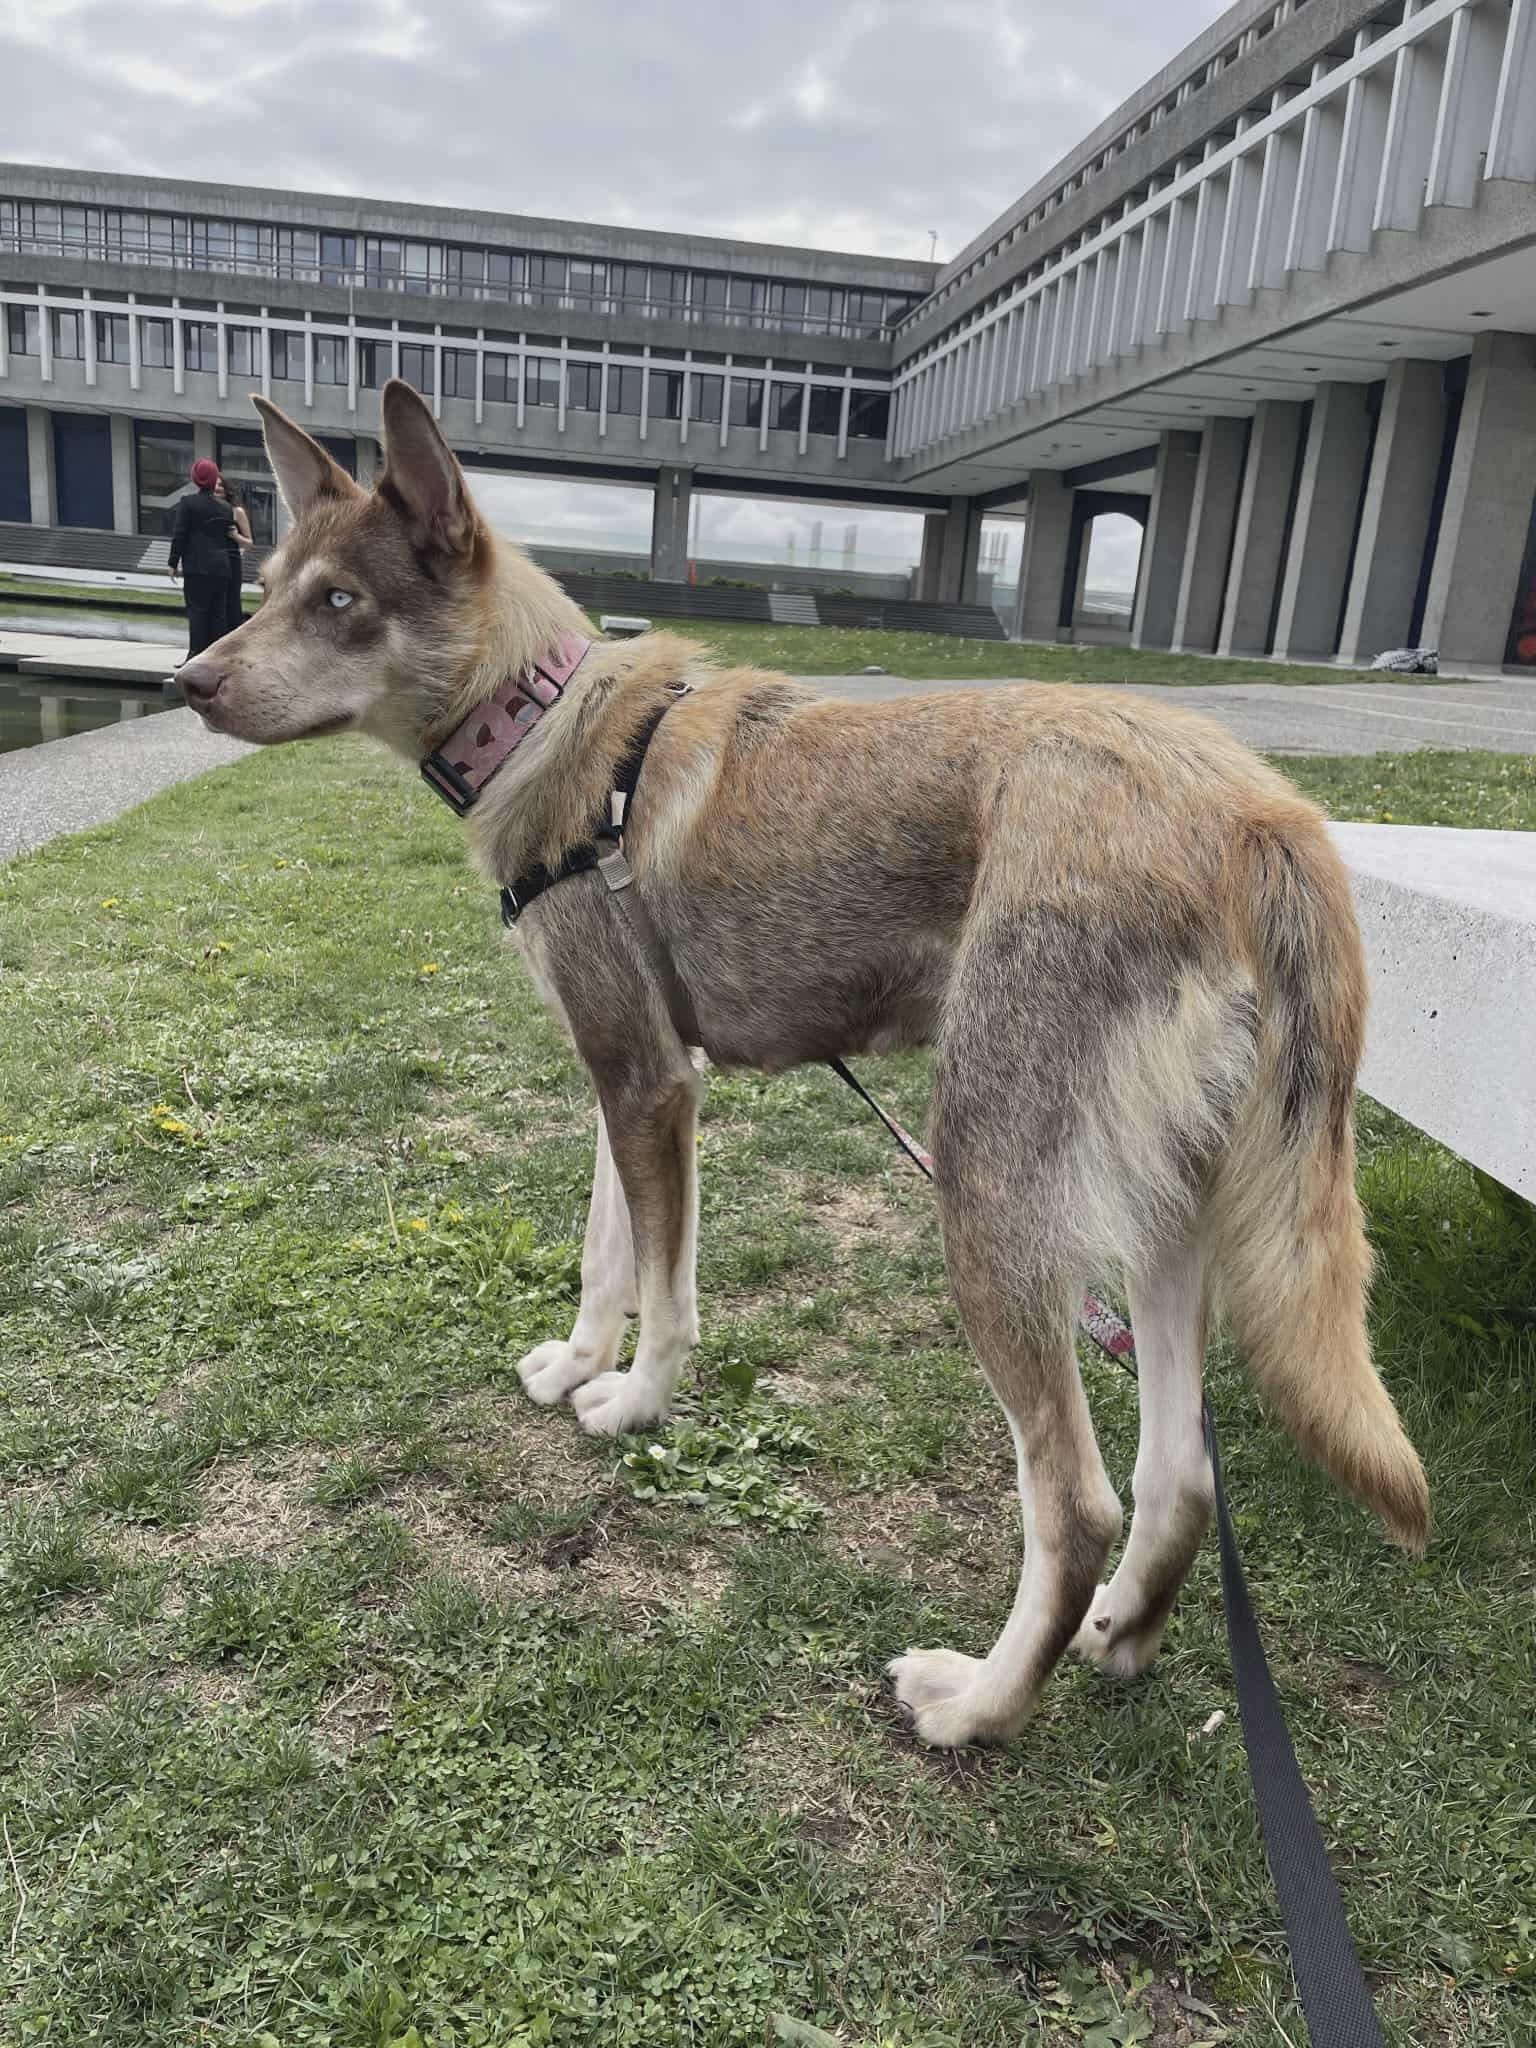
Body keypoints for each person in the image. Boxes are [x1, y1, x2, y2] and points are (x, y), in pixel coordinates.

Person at [167, 458, 236, 660]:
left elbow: (180, 534)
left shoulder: (188, 503)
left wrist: (173, 562)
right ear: (214, 478)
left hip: (197, 567)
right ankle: (216, 658)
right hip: (221, 567)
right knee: (218, 614)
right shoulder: (225, 508)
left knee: (197, 612)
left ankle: (194, 656)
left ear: (195, 478)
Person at [213, 474, 254, 638]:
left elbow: (249, 543)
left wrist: (236, 536)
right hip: (213, 562)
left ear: (227, 490)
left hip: (231, 561)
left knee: (231, 602)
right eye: (214, 485)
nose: (217, 488)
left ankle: (234, 637)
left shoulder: (237, 511)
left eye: (220, 485)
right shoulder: (207, 508)